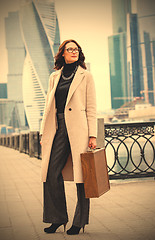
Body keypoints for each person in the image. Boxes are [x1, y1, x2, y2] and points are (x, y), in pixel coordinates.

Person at [40, 39, 97, 235]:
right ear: (62, 53)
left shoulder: (85, 75)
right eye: (69, 49)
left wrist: (92, 135)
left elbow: (91, 107)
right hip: (57, 128)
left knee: (83, 177)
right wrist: (43, 132)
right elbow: (48, 107)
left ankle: (79, 221)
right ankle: (57, 218)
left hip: (79, 129)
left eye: (76, 49)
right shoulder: (54, 76)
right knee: (50, 172)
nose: (73, 51)